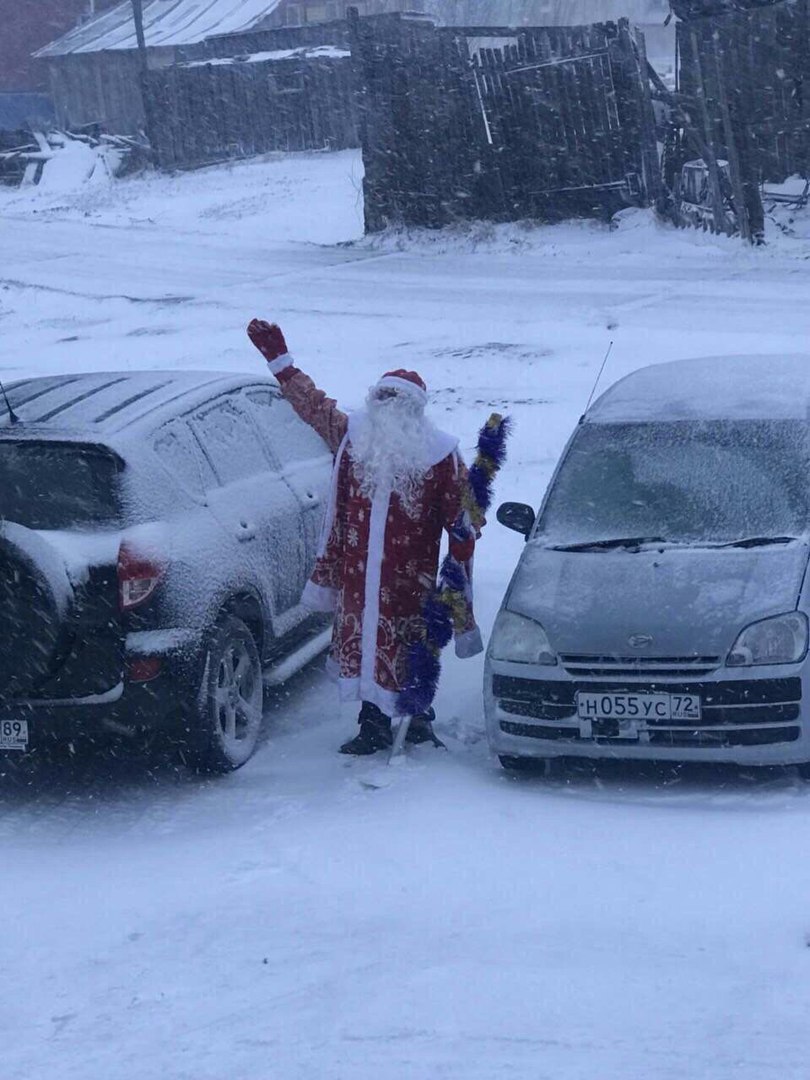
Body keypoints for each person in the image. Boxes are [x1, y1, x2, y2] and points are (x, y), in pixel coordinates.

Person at [247, 319, 476, 755]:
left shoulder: (440, 454)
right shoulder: (355, 437)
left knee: (409, 650)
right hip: (359, 578)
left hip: (411, 583)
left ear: (413, 409)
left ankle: (417, 722)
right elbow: (313, 407)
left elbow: (463, 513)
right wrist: (281, 364)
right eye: (380, 397)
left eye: (394, 399)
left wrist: (465, 531)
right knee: (366, 647)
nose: (384, 406)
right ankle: (371, 726)